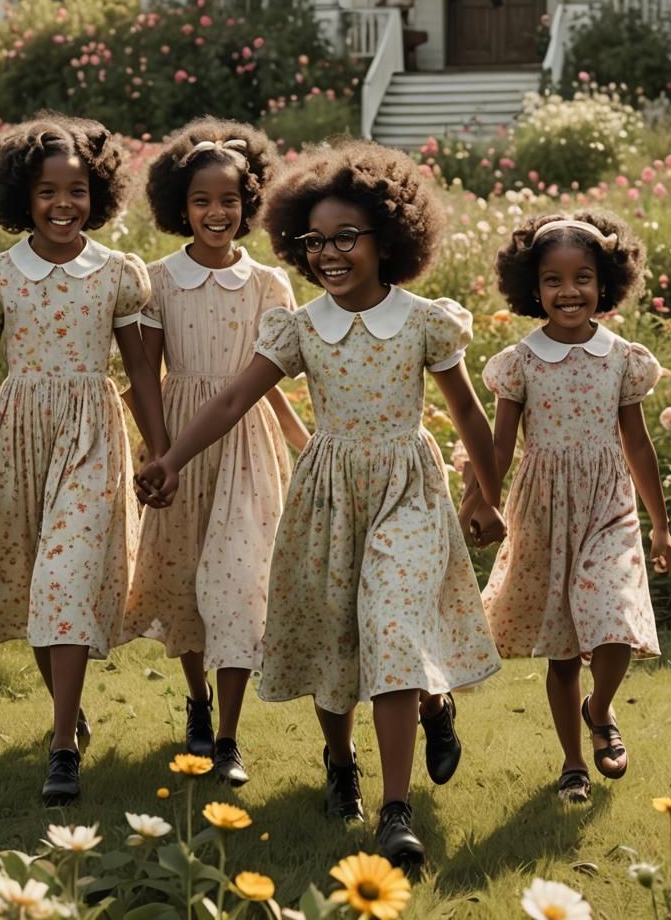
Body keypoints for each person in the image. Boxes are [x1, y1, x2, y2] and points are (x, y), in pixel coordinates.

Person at [138, 141, 505, 867]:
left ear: (388, 238)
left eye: (346, 237)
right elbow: (235, 399)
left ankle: (396, 811)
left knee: (393, 626)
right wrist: (170, 459)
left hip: (406, 489)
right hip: (328, 495)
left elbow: (469, 413)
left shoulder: (425, 321)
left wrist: (486, 495)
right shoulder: (301, 327)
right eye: (315, 241)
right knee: (335, 634)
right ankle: (342, 764)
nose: (329, 254)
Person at [0, 114, 165, 806]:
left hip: (91, 435)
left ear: (97, 193)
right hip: (19, 436)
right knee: (35, 584)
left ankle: (61, 750)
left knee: (66, 575)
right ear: (21, 196)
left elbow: (140, 370)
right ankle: (68, 714)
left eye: (77, 190)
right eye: (47, 191)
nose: (63, 204)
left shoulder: (115, 273)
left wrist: (160, 448)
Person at [122, 118, 310, 786]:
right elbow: (144, 376)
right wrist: (158, 453)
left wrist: (305, 444)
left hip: (247, 449)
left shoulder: (269, 284)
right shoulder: (156, 280)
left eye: (229, 200)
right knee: (183, 584)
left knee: (237, 584)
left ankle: (228, 737)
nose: (216, 213)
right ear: (181, 206)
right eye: (201, 201)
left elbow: (262, 383)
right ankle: (197, 701)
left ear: (247, 203)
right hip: (177, 443)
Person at [476, 211, 671, 805]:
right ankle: (572, 764)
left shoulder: (621, 357)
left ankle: (601, 708)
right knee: (562, 650)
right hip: (543, 510)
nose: (569, 291)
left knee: (615, 617)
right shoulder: (521, 360)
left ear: (605, 282)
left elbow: (637, 444)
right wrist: (483, 502)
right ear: (532, 287)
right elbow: (499, 446)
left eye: (583, 277)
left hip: (608, 503)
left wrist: (660, 527)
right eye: (554, 280)